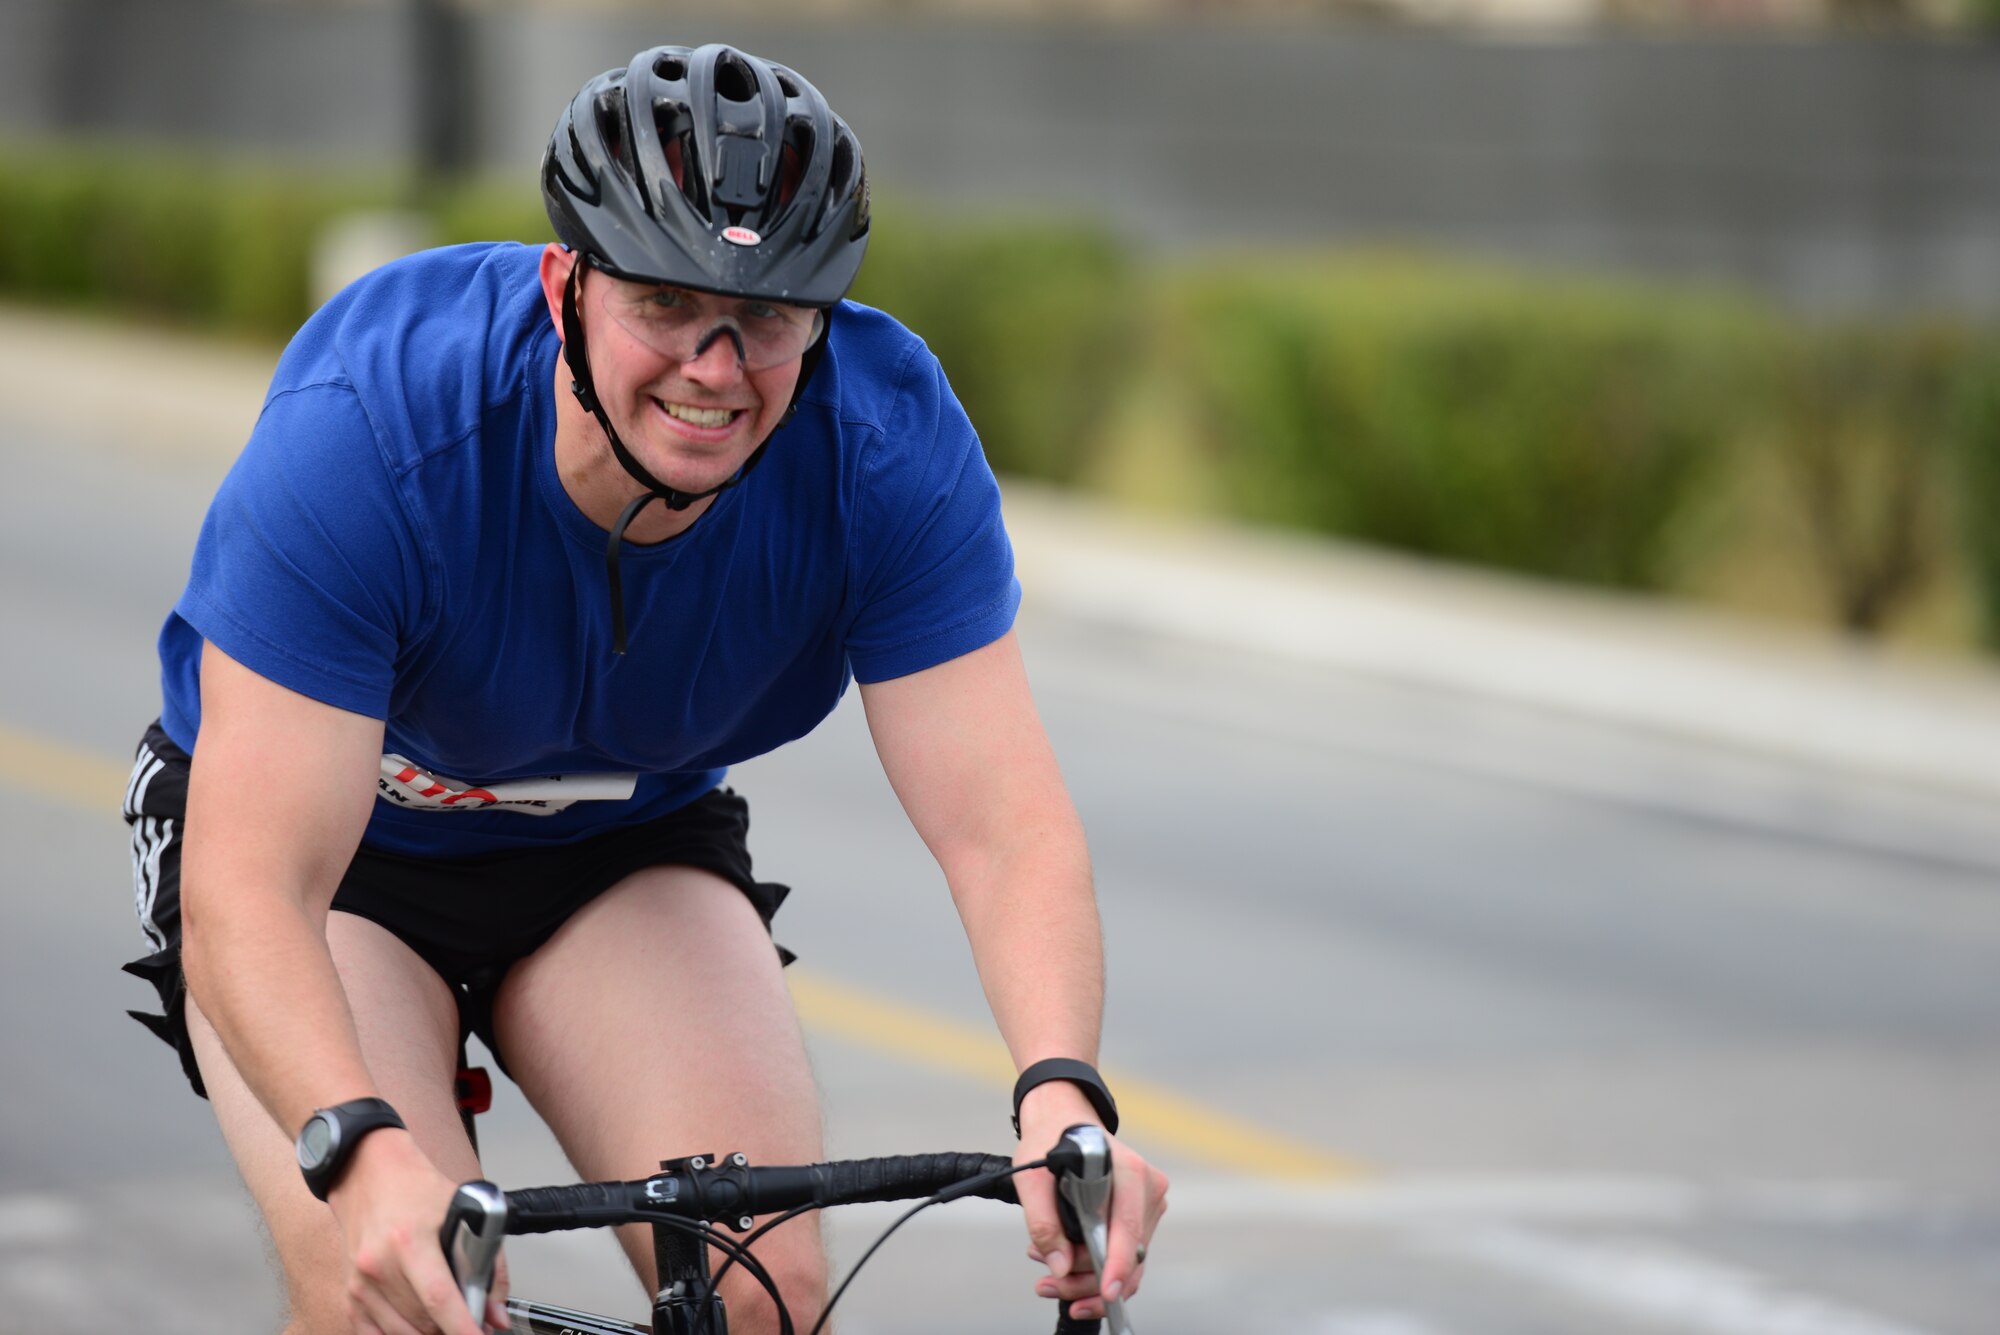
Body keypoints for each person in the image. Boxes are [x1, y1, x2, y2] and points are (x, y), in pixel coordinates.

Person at [118, 40, 1166, 1335]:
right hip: (333, 867)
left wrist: (1061, 1093)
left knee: (759, 1289)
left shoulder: (883, 451)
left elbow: (1003, 832)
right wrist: (364, 1152)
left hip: (611, 842)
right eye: (665, 304)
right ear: (566, 281)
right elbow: (251, 892)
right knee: (392, 1286)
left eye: (769, 317)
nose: (715, 368)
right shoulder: (376, 427)